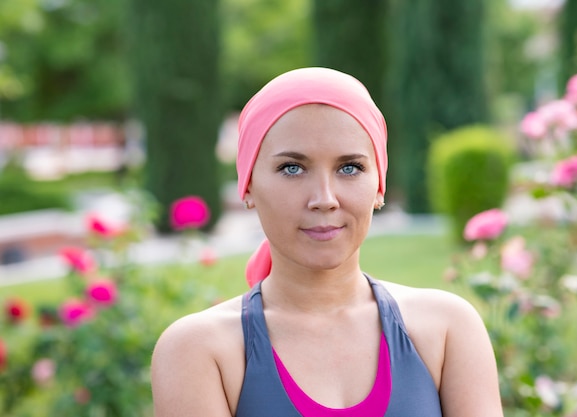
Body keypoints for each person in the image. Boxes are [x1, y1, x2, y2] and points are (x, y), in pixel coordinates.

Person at [151, 67, 503, 417]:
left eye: (349, 167)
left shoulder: (446, 329)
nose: (324, 198)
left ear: (379, 186)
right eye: (292, 168)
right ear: (248, 188)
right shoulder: (199, 350)